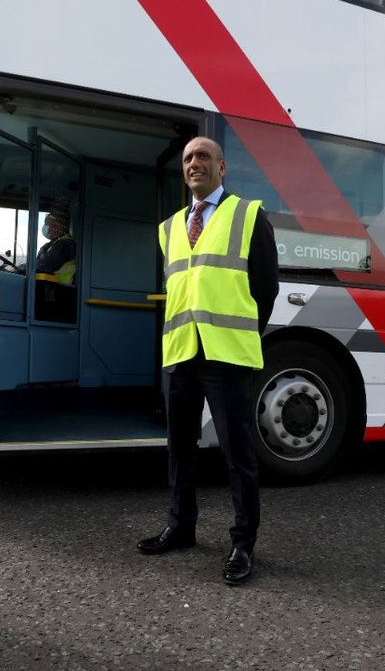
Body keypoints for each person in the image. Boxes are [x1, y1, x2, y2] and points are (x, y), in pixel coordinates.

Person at [137, 136, 278, 586]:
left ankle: (243, 542)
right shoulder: (171, 227)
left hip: (226, 354)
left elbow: (266, 288)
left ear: (221, 167)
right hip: (180, 352)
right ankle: (181, 527)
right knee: (180, 448)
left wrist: (240, 336)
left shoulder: (248, 215)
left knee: (237, 452)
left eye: (202, 157)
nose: (193, 164)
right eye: (186, 159)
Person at [35, 211, 77, 284]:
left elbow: (45, 265)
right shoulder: (55, 243)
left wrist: (20, 269)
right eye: (48, 224)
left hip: (59, 289)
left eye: (53, 225)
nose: (50, 228)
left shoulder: (64, 244)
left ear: (62, 227)